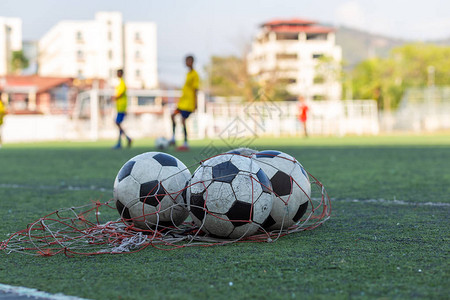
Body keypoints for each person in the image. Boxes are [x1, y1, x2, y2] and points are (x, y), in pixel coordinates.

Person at [169, 55, 199, 151]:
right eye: (185, 61)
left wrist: (195, 104)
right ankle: (173, 138)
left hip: (189, 103)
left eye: (187, 61)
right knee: (173, 115)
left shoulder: (195, 74)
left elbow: (195, 89)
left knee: (182, 120)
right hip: (182, 102)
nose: (186, 63)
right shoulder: (188, 74)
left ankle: (186, 142)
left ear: (192, 62)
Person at [111, 69, 132, 149]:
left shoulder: (122, 83)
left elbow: (120, 94)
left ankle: (125, 140)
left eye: (118, 73)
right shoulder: (120, 83)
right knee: (118, 123)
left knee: (117, 123)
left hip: (122, 107)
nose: (117, 74)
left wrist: (113, 98)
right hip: (119, 107)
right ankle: (124, 140)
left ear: (121, 74)